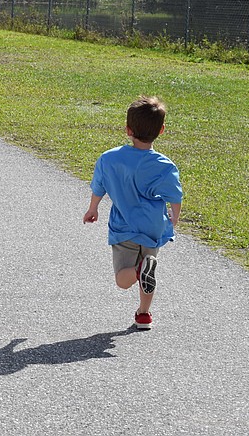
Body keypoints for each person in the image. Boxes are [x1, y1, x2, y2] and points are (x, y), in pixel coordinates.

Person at [82, 96, 183, 330]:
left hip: (124, 226)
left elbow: (100, 185)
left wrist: (93, 208)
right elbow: (174, 195)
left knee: (123, 278)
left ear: (128, 130)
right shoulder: (164, 164)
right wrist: (174, 217)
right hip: (153, 225)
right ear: (162, 130)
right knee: (149, 270)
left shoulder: (110, 158)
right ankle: (143, 314)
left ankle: (139, 270)